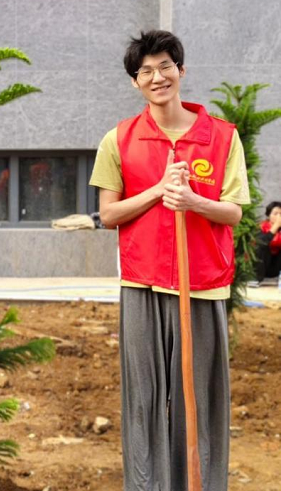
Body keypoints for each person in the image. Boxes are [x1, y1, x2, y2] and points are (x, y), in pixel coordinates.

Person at [90, 30, 249, 491]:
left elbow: (234, 212)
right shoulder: (119, 139)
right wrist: (159, 191)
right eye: (146, 71)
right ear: (134, 82)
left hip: (202, 284)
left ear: (181, 70)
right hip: (142, 282)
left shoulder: (221, 137)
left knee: (199, 401)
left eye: (165, 67)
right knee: (143, 401)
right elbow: (108, 214)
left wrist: (194, 201)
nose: (157, 77)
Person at [249, 200, 281, 286]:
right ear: (268, 215)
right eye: (275, 214)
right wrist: (275, 227)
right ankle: (254, 279)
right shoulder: (260, 227)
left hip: (276, 267)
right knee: (261, 245)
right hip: (262, 267)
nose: (279, 217)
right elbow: (260, 243)